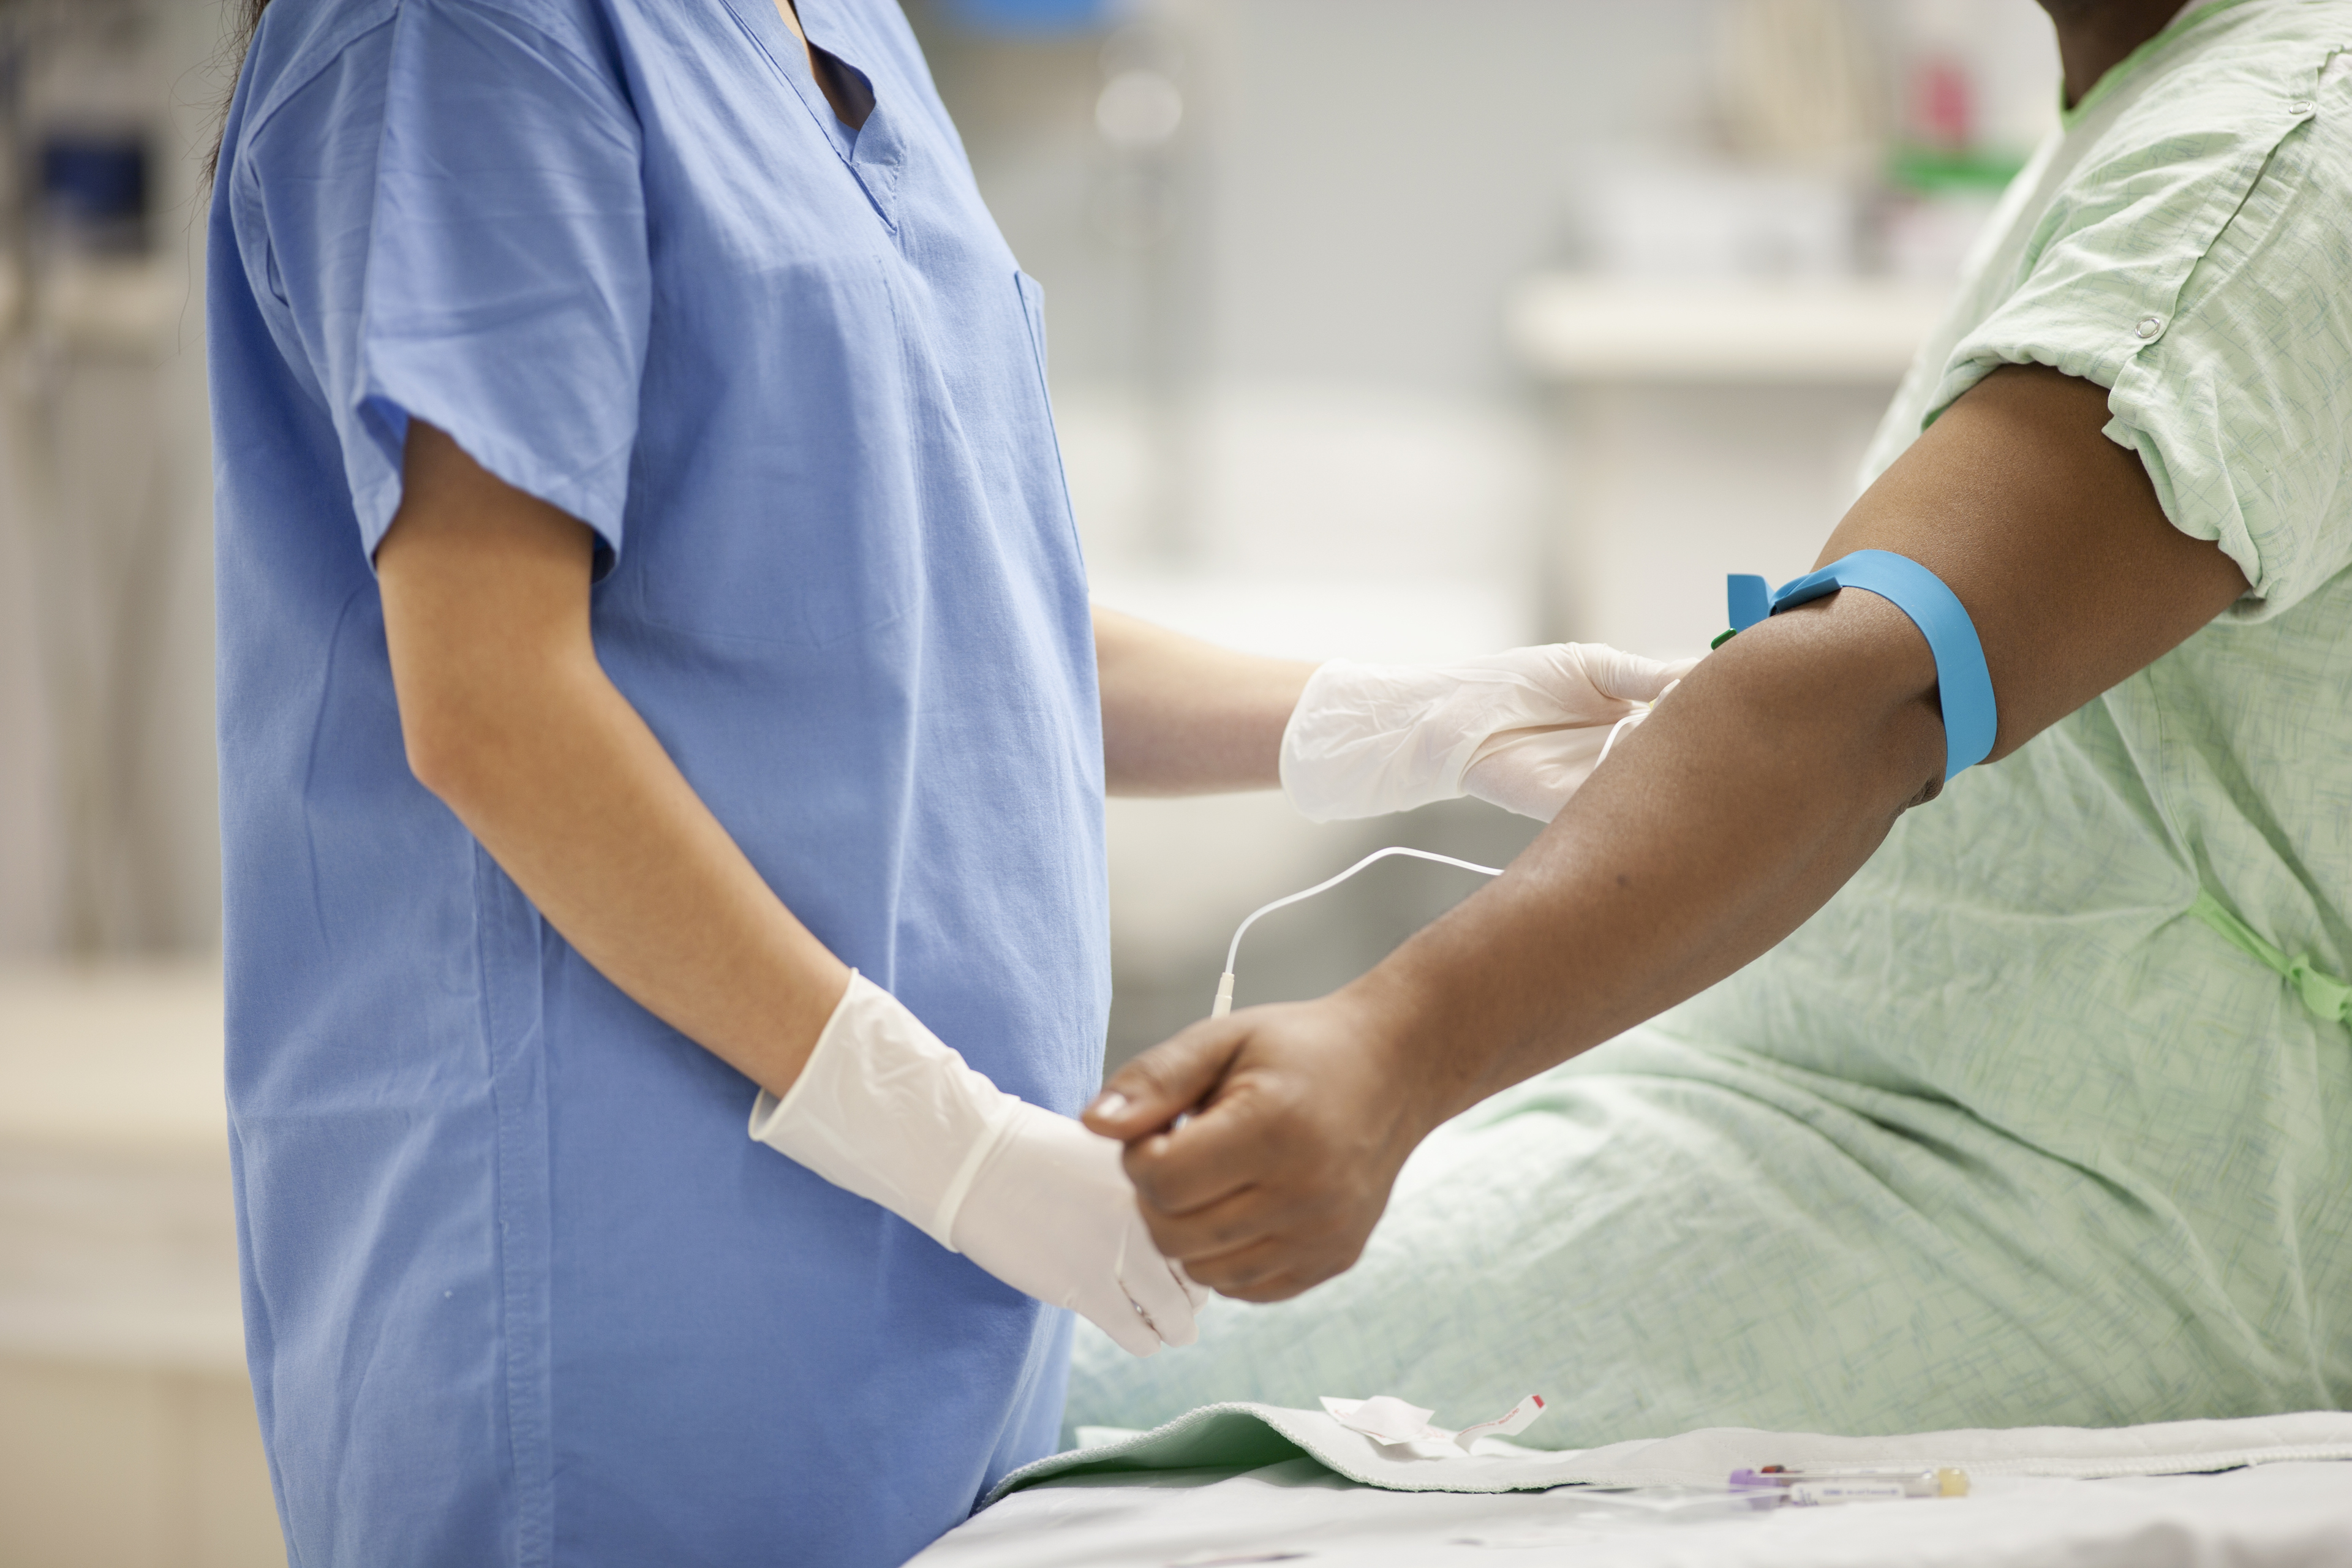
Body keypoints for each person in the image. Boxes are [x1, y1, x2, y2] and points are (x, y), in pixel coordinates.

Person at [205, 1, 1683, 1562]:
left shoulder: (829, 26)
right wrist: (950, 1147)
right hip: (627, 1296)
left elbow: (945, 618)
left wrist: (1397, 719)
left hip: (917, 1307)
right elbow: (497, 702)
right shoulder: (466, 36)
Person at [1072, 0, 2352, 1442]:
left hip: (2067, 1206)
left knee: (1060, 1376)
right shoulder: (2146, 103)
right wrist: (1388, 722)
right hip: (1837, 1102)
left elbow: (1869, 686)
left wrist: (1393, 1049)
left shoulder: (2279, 156)